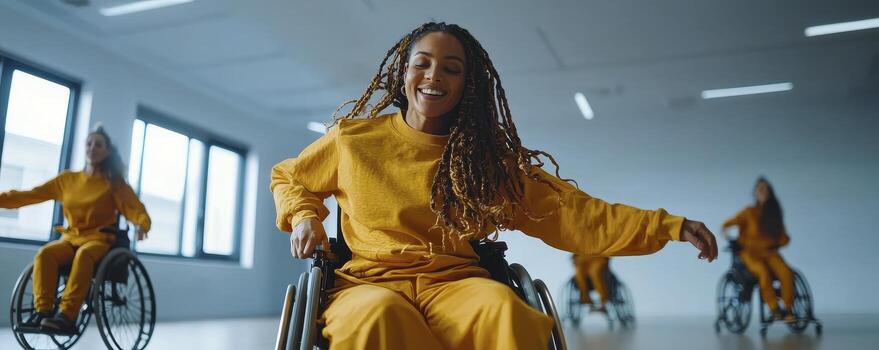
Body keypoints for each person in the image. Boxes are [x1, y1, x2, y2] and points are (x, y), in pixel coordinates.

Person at [271, 22, 717, 349]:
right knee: (380, 319)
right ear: (402, 73)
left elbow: (572, 213)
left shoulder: (483, 162)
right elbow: (291, 176)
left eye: (451, 68)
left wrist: (668, 226)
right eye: (422, 64)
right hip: (369, 282)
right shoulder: (353, 140)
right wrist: (304, 216)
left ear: (467, 85)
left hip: (455, 282)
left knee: (506, 313)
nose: (433, 77)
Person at [0, 125, 151, 333]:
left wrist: (142, 224)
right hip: (70, 238)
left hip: (100, 240)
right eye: (89, 144)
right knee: (46, 253)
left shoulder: (113, 183)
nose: (92, 148)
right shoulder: (67, 180)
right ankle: (43, 311)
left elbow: (134, 208)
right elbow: (30, 195)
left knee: (84, 254)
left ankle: (67, 316)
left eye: (98, 145)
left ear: (107, 151)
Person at [722, 177, 794, 322]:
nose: (764, 192)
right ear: (755, 192)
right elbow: (726, 224)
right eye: (761, 189)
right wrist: (730, 239)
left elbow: (783, 236)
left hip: (770, 252)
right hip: (750, 253)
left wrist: (781, 241)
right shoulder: (748, 212)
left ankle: (787, 309)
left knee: (786, 273)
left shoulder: (774, 213)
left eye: (767, 189)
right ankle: (774, 308)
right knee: (763, 273)